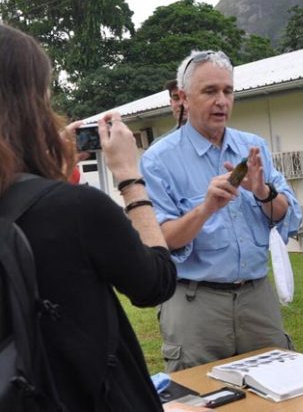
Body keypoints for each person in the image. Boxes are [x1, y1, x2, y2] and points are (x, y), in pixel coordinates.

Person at [0, 24, 176, 410]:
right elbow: (155, 282)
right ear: (30, 106)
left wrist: (49, 176)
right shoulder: (78, 209)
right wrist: (130, 179)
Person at [140, 50, 302, 372]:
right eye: (210, 91)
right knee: (198, 399)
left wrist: (262, 192)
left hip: (257, 297)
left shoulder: (253, 147)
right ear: (184, 98)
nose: (222, 101)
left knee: (277, 393)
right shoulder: (158, 160)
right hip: (195, 303)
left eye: (228, 91)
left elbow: (288, 216)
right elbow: (161, 239)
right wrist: (206, 209)